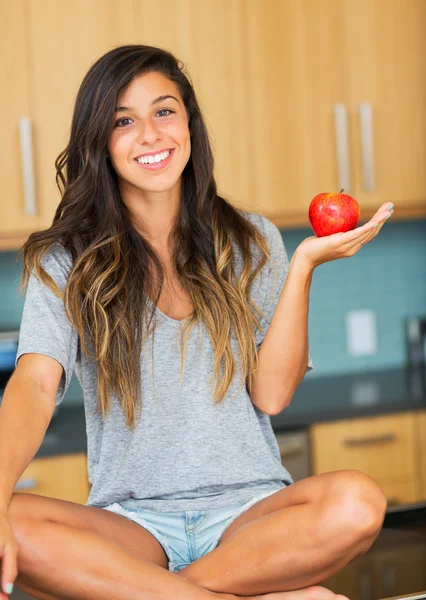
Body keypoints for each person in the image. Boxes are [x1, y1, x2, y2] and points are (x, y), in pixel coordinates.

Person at [0, 44, 391, 600]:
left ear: (189, 123)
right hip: (133, 526)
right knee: (10, 518)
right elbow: (35, 383)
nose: (151, 135)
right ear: (100, 142)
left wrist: (304, 265)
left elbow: (273, 393)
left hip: (252, 519)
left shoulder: (252, 240)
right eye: (123, 121)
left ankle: (151, 594)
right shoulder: (67, 260)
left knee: (357, 501)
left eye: (164, 111)